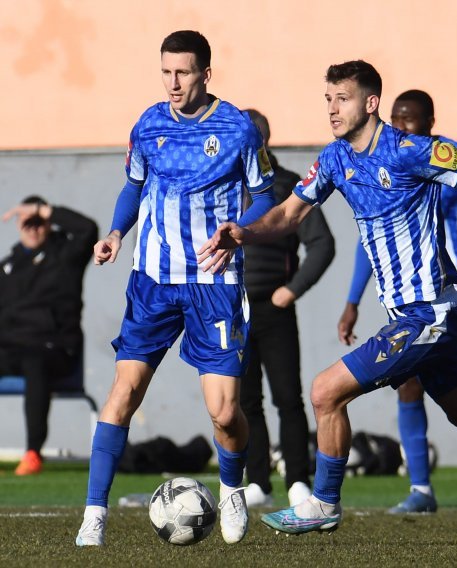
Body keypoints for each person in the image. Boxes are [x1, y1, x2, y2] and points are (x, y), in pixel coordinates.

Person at [200, 60, 457, 552]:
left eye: (343, 99)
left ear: (371, 103)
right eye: (328, 100)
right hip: (412, 316)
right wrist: (245, 232)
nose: (333, 109)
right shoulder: (335, 159)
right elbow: (290, 213)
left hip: (431, 313)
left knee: (324, 391)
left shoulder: (409, 150)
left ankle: (324, 504)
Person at [75, 30, 276, 547]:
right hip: (153, 282)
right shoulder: (148, 123)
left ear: (205, 74)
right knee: (122, 394)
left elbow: (264, 194)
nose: (172, 82)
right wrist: (117, 232)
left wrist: (240, 229)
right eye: (166, 71)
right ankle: (93, 515)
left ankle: (233, 488)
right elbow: (134, 185)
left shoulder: (237, 129)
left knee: (226, 412)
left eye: (183, 72)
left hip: (214, 282)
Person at [338, 89, 457, 515]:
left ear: (430, 122)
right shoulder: (386, 165)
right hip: (414, 302)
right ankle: (421, 488)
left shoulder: (449, 156)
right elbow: (369, 242)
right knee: (409, 387)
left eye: (411, 119)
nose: (401, 126)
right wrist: (352, 301)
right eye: (396, 118)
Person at [240, 108, 335, 508]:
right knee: (244, 402)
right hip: (231, 309)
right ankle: (257, 481)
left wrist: (291, 290)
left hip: (274, 309)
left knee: (288, 397)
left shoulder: (287, 185)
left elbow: (322, 244)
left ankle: (297, 478)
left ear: (263, 140)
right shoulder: (220, 184)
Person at [0, 196, 97, 475]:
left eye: (38, 223)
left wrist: (44, 211)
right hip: (10, 348)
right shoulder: (8, 266)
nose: (32, 229)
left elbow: (88, 229)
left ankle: (32, 452)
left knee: (35, 361)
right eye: (27, 223)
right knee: (24, 356)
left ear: (48, 223)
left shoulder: (65, 256)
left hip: (53, 349)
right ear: (18, 226)